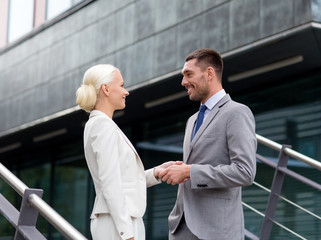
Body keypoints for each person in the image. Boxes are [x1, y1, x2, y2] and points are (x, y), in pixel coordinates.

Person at [159, 49, 257, 240]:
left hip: (216, 231)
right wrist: (179, 170)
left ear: (209, 73)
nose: (183, 82)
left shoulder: (237, 113)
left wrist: (190, 172)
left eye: (189, 74)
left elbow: (245, 172)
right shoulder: (192, 120)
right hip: (181, 228)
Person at [76, 64, 173, 240]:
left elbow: (122, 179)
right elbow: (110, 181)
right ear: (105, 89)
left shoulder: (102, 124)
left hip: (119, 219)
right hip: (117, 223)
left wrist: (156, 173)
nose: (126, 91)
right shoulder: (102, 125)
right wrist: (126, 233)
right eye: (121, 85)